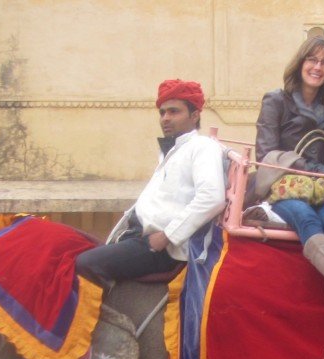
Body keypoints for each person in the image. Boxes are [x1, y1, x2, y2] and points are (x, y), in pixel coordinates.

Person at [255, 36, 324, 332]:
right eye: (312, 60)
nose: (317, 67)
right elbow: (265, 154)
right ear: (301, 62)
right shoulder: (276, 100)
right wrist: (313, 167)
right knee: (306, 218)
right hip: (287, 183)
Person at [75, 79, 226, 281]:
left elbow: (212, 198)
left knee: (84, 263)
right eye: (162, 113)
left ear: (195, 115)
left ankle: (116, 312)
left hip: (165, 247)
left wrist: (167, 236)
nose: (165, 118)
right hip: (139, 234)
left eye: (174, 111)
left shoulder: (202, 147)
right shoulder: (174, 149)